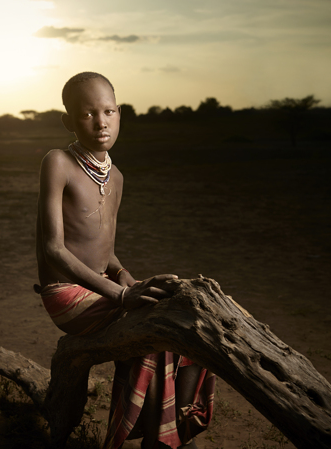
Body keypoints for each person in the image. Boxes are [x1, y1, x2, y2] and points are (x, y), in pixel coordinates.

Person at [35, 72, 214, 449]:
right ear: (69, 121)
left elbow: (106, 252)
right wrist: (120, 297)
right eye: (87, 114)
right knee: (155, 327)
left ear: (119, 115)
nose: (100, 122)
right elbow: (53, 248)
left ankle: (176, 427)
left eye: (109, 111)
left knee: (184, 312)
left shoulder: (116, 176)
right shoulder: (58, 162)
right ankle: (161, 439)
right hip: (66, 294)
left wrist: (129, 280)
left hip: (104, 288)